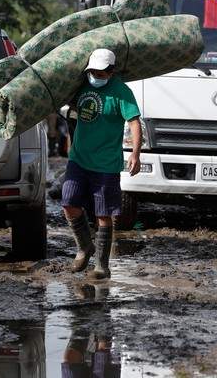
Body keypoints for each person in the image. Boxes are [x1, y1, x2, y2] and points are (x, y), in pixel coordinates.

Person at [62, 49, 142, 280]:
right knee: (68, 201)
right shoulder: (83, 86)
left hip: (106, 164)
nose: (94, 77)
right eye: (92, 72)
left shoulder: (122, 92)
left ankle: (101, 266)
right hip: (78, 158)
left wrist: (135, 154)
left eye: (100, 73)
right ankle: (84, 247)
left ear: (111, 72)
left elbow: (134, 123)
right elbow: (75, 105)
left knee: (103, 214)